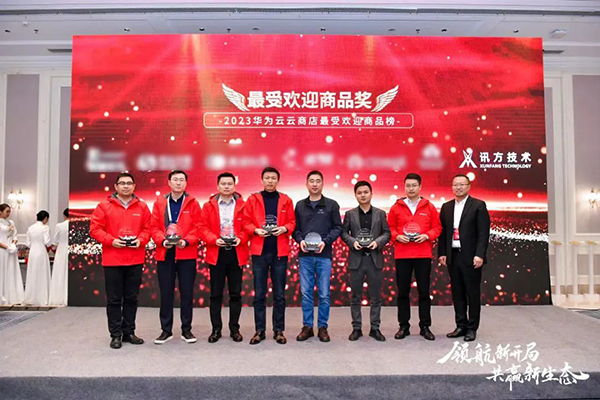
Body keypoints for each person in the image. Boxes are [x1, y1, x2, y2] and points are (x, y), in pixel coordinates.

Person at [90, 172, 151, 349]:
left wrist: (141, 240)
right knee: (114, 300)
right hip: (113, 260)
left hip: (135, 259)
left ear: (134, 186)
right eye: (122, 183)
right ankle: (115, 334)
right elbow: (95, 229)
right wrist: (111, 241)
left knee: (131, 298)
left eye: (129, 183)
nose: (126, 186)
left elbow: (148, 228)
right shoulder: (104, 206)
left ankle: (129, 332)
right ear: (115, 186)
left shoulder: (142, 207)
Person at [243, 166, 295, 345]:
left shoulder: (286, 200)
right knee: (259, 294)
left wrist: (285, 228)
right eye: (267, 178)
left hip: (279, 252)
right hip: (259, 252)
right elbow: (246, 222)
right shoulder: (253, 199)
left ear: (278, 180)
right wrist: (255, 230)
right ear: (262, 180)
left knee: (279, 294)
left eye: (273, 178)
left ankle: (279, 330)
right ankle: (260, 330)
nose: (270, 181)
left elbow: (292, 222)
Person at [388, 173, 442, 341]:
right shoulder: (396, 207)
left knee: (424, 292)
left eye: (414, 185)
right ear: (404, 187)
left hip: (423, 254)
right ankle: (403, 326)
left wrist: (427, 236)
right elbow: (389, 228)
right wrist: (397, 236)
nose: (411, 188)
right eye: (408, 185)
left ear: (420, 187)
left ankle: (425, 326)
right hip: (402, 255)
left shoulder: (429, 207)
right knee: (402, 292)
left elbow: (437, 228)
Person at [150, 170, 201, 345]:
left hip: (186, 252)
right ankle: (166, 330)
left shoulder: (193, 203)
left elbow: (198, 227)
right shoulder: (159, 203)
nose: (178, 183)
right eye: (175, 180)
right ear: (169, 182)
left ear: (186, 183)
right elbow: (153, 227)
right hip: (165, 252)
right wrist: (162, 241)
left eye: (181, 180)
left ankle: (186, 330)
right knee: (166, 293)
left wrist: (186, 241)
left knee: (186, 293)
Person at [438, 174, 490, 342]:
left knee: (472, 293)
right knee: (457, 292)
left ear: (469, 186)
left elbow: (483, 233)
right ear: (452, 187)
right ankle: (460, 325)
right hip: (453, 256)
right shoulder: (446, 207)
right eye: (455, 185)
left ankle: (472, 328)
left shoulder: (478, 205)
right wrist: (442, 253)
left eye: (462, 184)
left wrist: (479, 255)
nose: (458, 187)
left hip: (471, 257)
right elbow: (443, 233)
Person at [199, 172, 249, 343]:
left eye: (229, 184)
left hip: (236, 252)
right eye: (223, 184)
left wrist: (241, 238)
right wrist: (214, 240)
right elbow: (202, 227)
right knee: (216, 294)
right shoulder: (208, 206)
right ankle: (216, 329)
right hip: (217, 252)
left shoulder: (243, 205)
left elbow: (248, 227)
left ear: (234, 186)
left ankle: (235, 329)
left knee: (235, 294)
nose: (226, 186)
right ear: (218, 186)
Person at [293, 170, 343, 343]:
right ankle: (307, 326)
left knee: (324, 293)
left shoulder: (331, 205)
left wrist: (326, 242)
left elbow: (338, 227)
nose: (314, 184)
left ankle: (323, 326)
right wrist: (300, 240)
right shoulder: (300, 205)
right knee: (306, 293)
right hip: (305, 255)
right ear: (306, 184)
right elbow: (295, 228)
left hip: (324, 255)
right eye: (311, 181)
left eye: (318, 181)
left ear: (322, 184)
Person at [341, 181, 391, 342]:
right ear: (355, 195)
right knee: (355, 296)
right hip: (357, 259)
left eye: (365, 192)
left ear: (371, 194)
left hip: (374, 259)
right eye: (359, 193)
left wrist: (377, 242)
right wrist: (352, 242)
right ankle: (356, 328)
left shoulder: (380, 214)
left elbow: (387, 233)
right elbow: (344, 233)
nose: (363, 195)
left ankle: (375, 328)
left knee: (375, 297)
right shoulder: (350, 214)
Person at [23, 210, 52, 305]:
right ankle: (43, 297)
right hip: (41, 251)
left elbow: (28, 243)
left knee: (33, 273)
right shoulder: (45, 228)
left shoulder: (30, 228)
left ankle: (32, 296)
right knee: (42, 273)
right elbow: (47, 242)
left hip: (32, 252)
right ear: (45, 218)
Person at [0, 203, 24, 305]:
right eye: (7, 211)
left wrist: (13, 244)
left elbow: (15, 235)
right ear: (0, 212)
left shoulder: (11, 222)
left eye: (9, 211)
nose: (9, 213)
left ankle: (12, 296)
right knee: (2, 271)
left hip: (11, 250)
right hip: (2, 250)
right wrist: (7, 247)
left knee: (11, 270)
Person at [48, 208, 70, 306]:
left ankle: (59, 296)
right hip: (72, 250)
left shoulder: (59, 226)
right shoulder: (76, 224)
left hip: (61, 250)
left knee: (60, 272)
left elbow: (55, 241)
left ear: (64, 215)